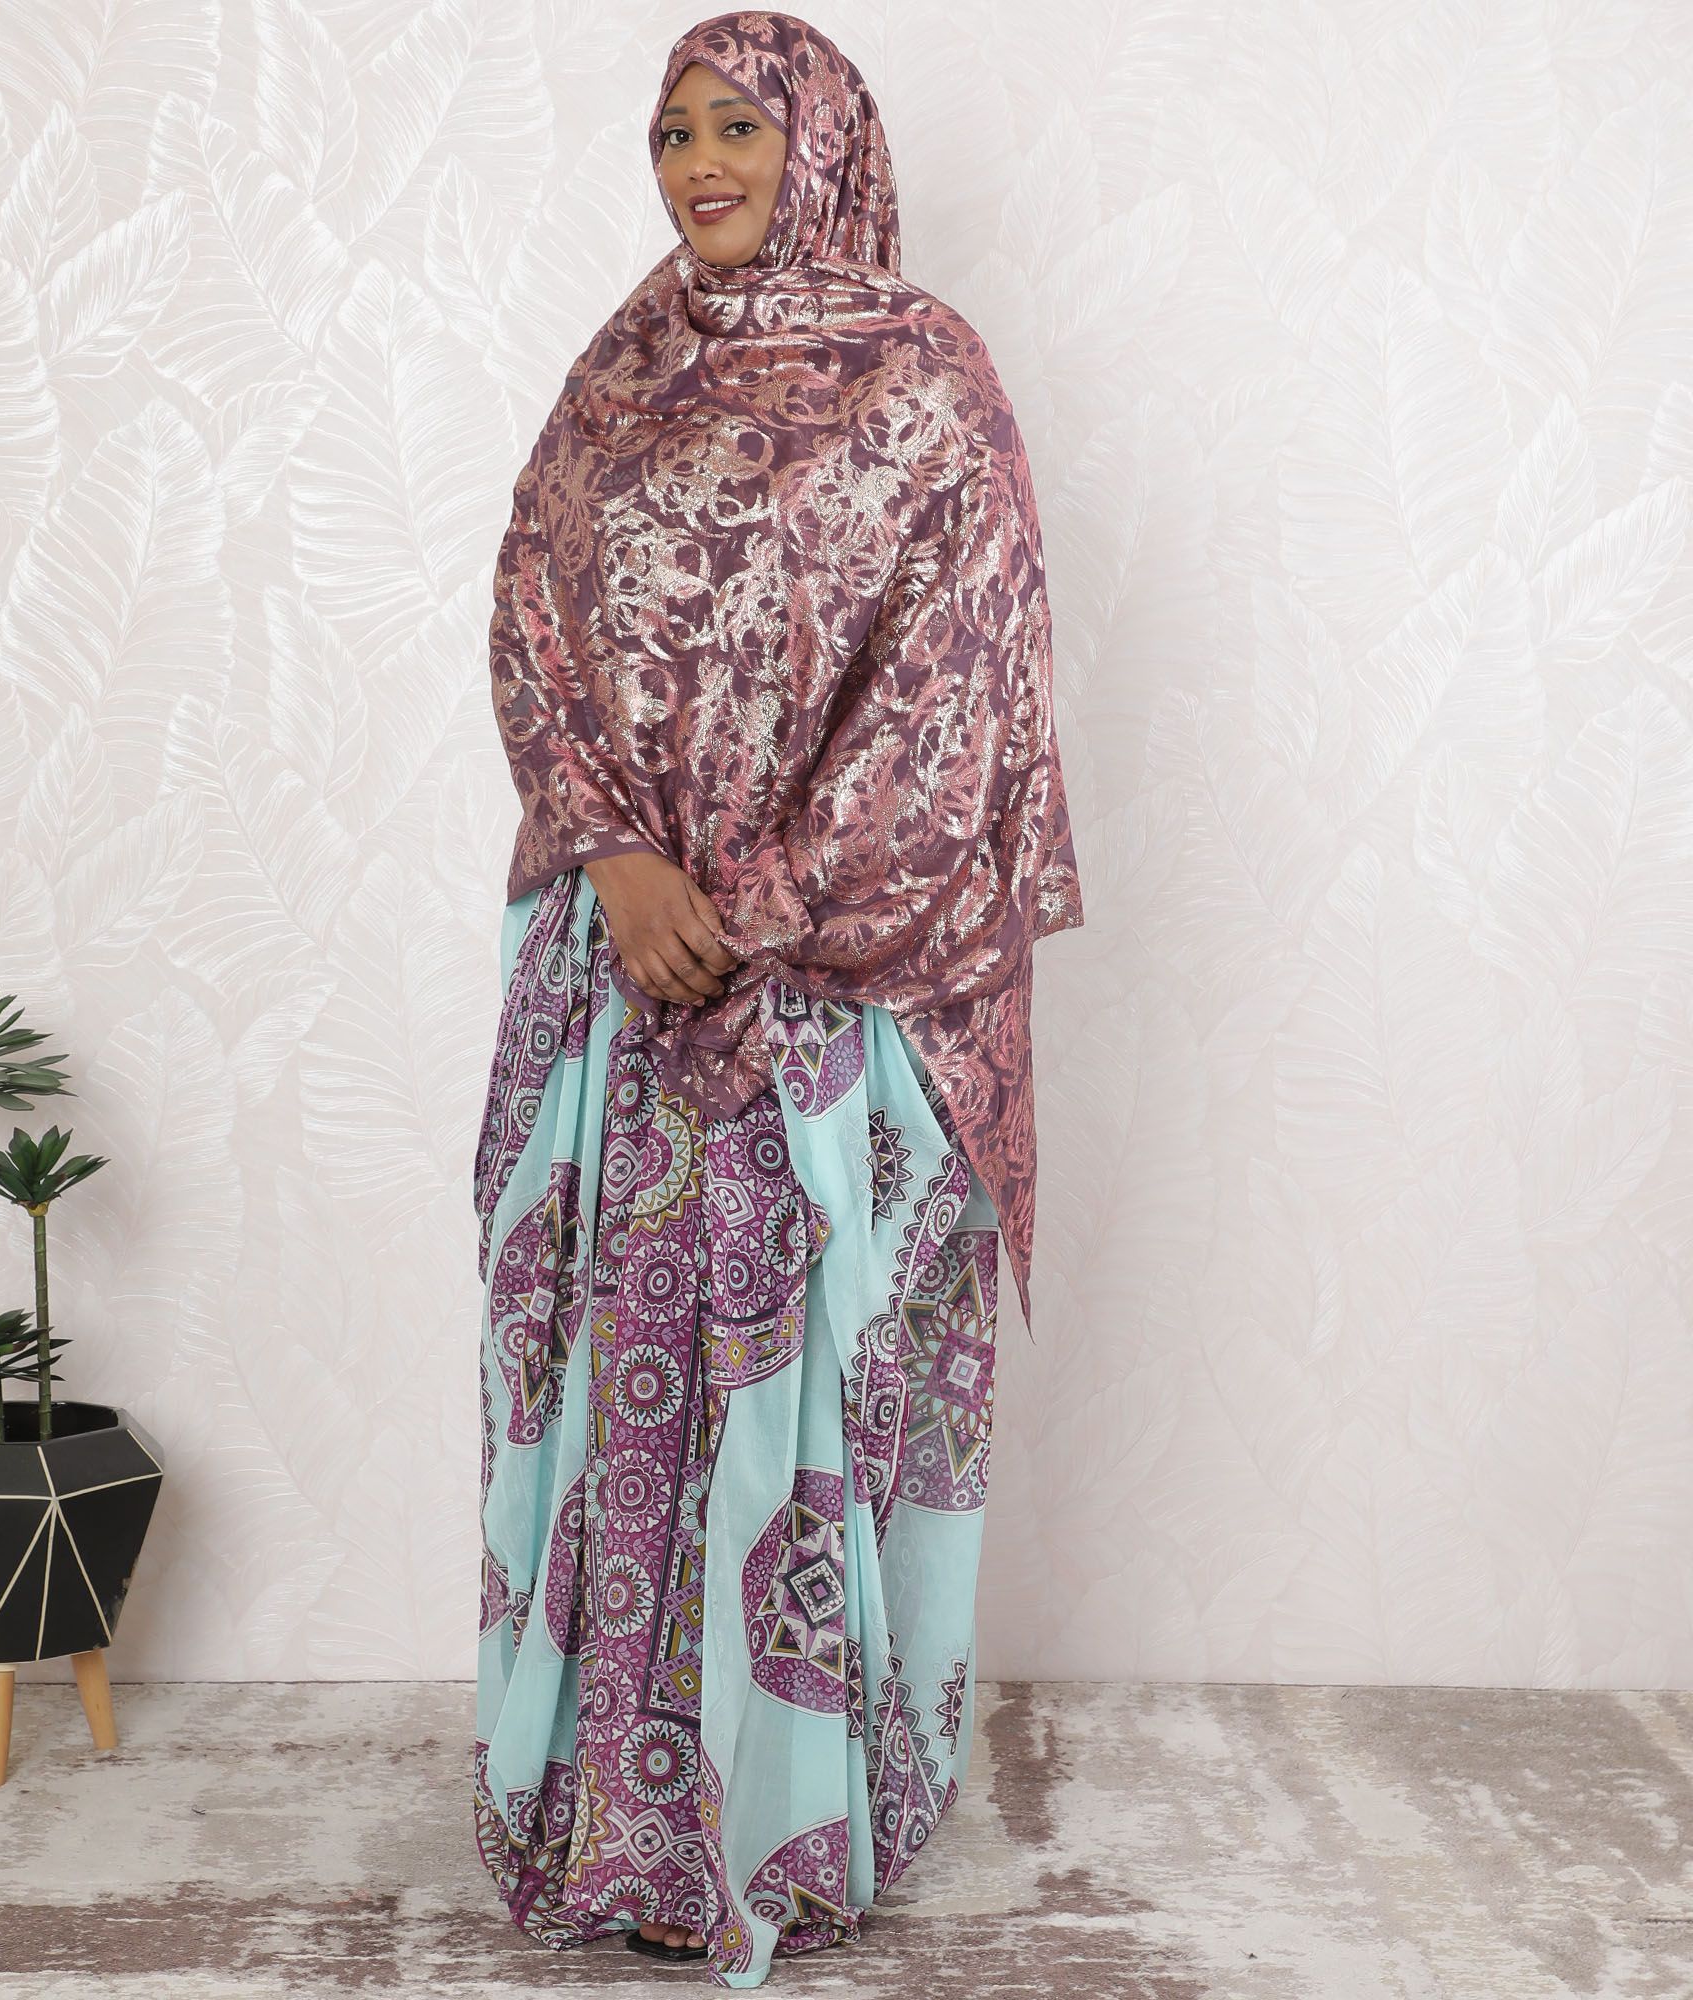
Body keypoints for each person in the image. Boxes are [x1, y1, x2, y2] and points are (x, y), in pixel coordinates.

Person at [469, 11, 1083, 1988]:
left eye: (739, 123)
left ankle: (800, 1832)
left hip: (843, 994)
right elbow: (531, 617)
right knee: (613, 1388)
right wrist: (618, 858)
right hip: (620, 971)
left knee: (810, 1415)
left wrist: (746, 906)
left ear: (824, 143)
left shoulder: (927, 378)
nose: (701, 162)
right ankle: (615, 1816)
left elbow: (962, 697)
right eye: (673, 130)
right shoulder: (623, 369)